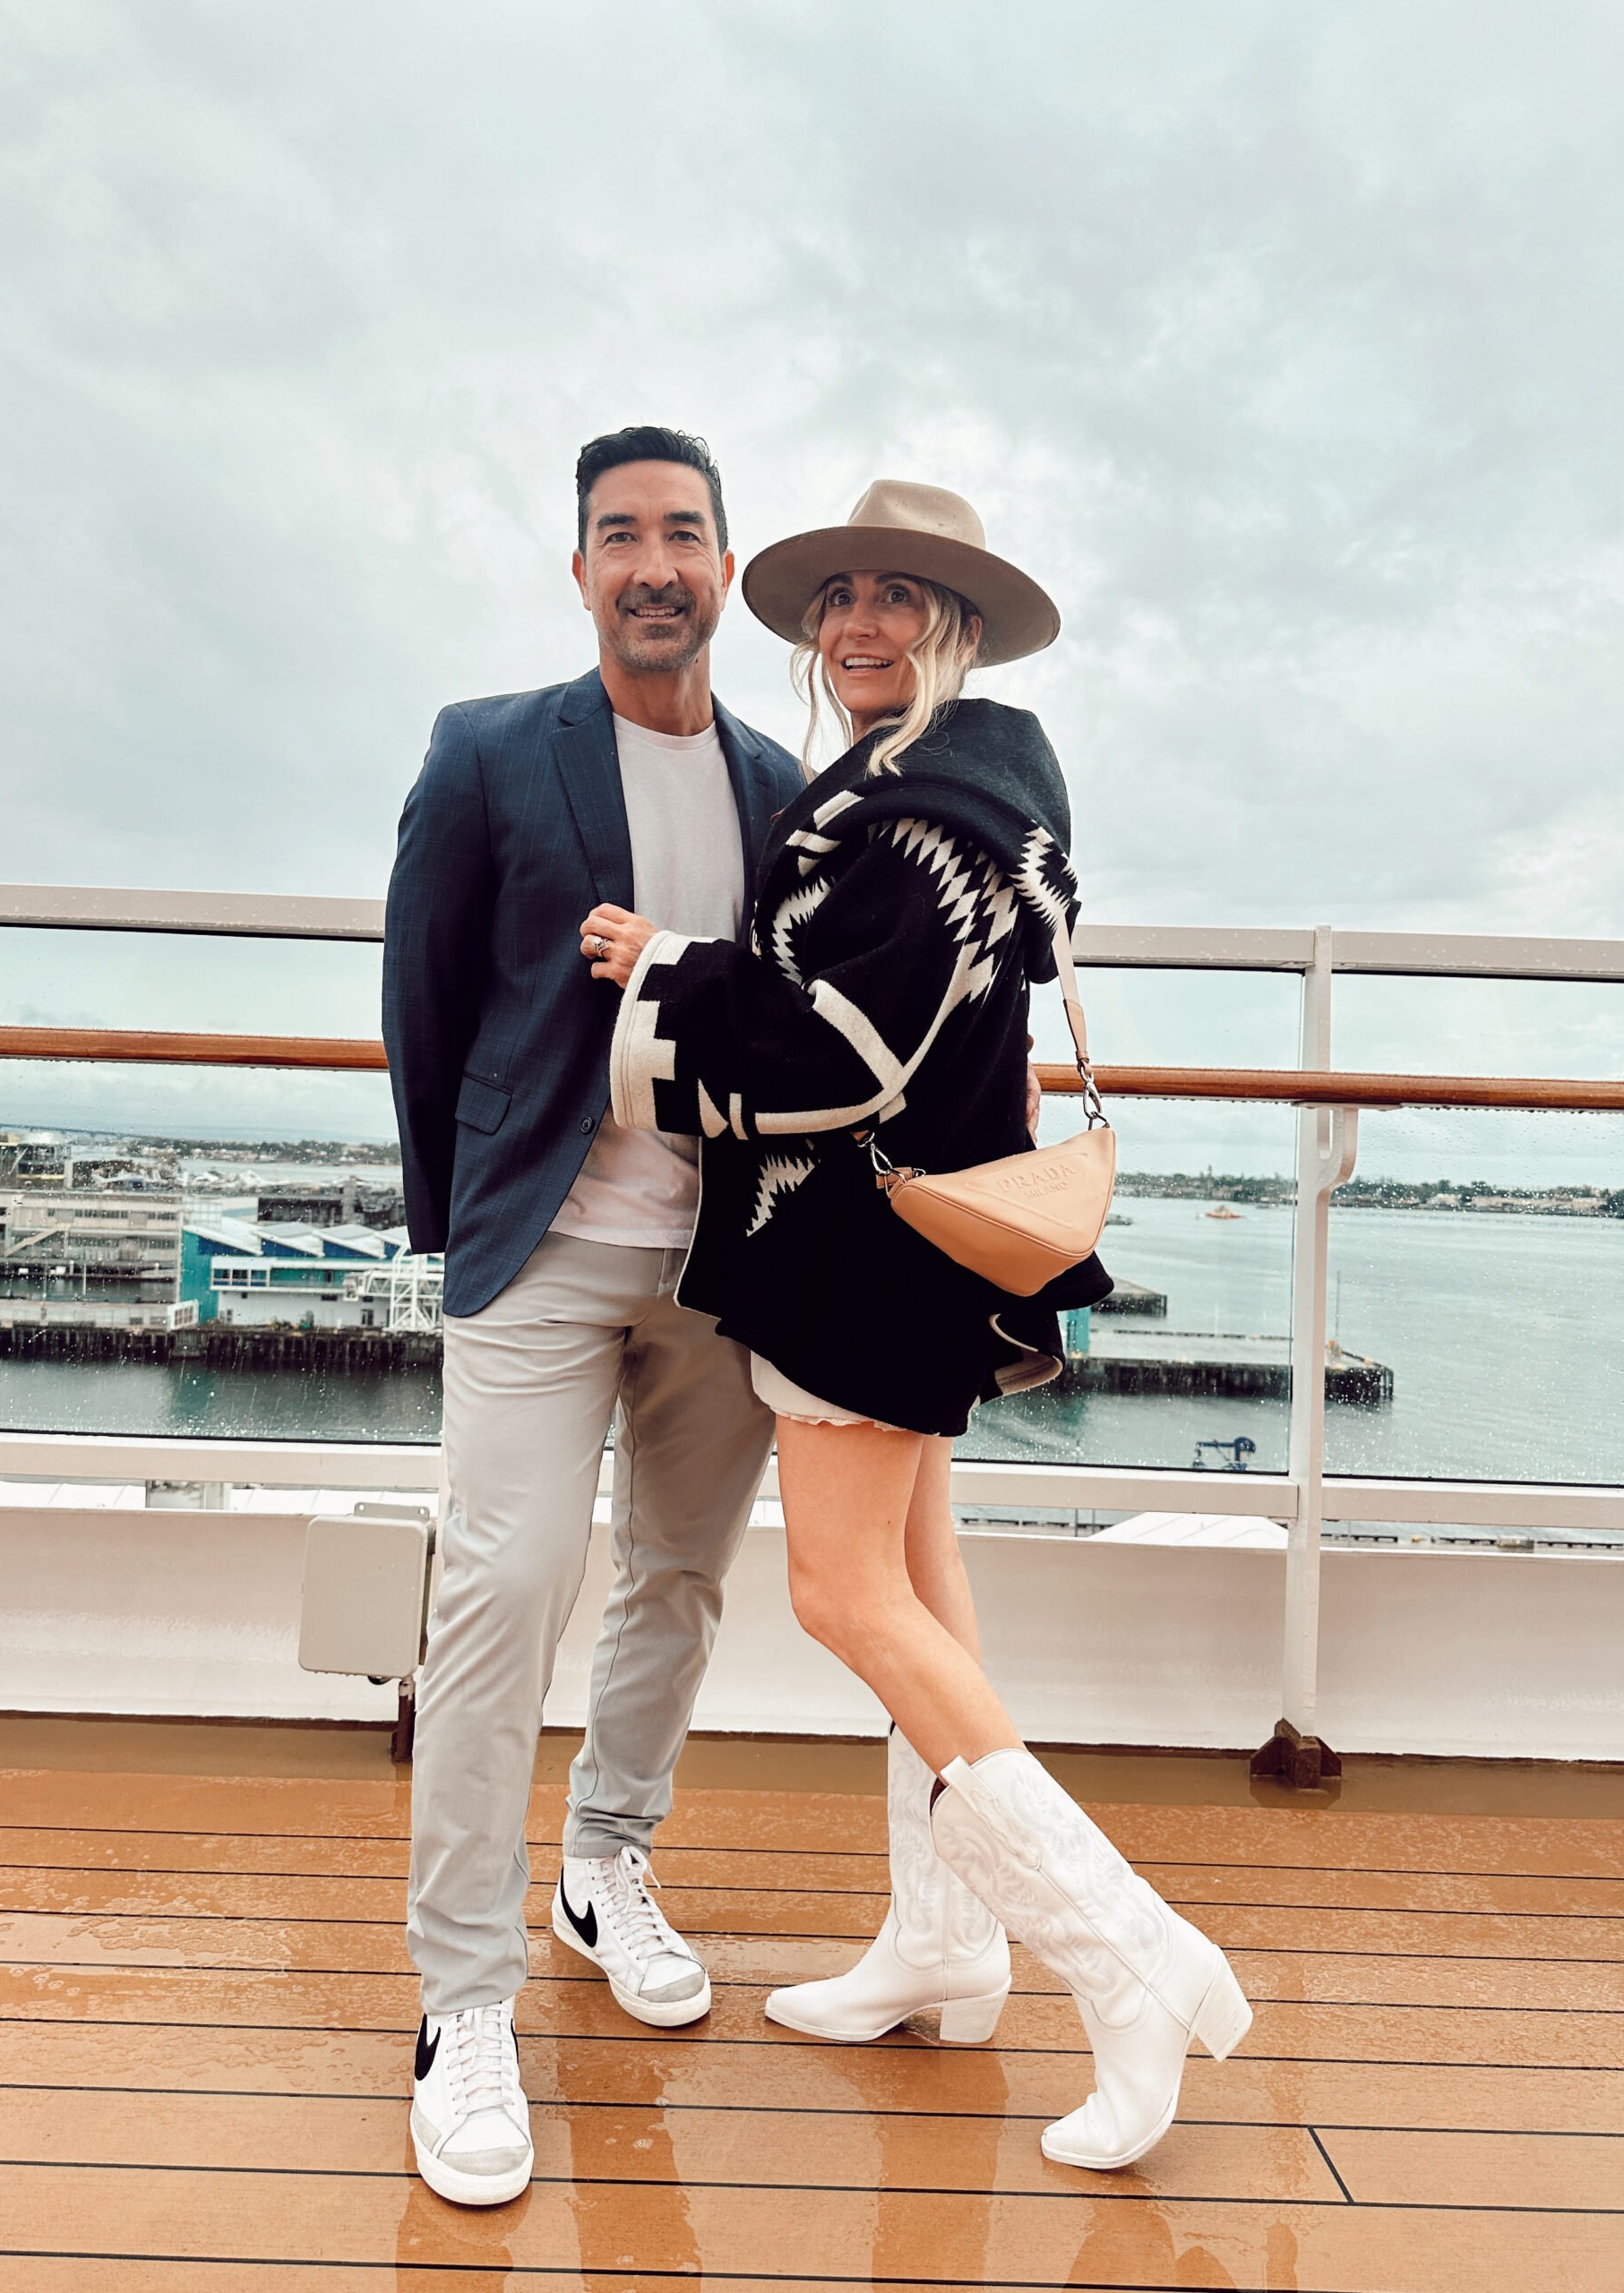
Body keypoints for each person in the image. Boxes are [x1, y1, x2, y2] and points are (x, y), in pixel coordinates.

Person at [580, 479, 1252, 2173]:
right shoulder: (925, 784)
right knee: (929, 1590)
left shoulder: (924, 812)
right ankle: (945, 1949)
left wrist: (667, 967)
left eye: (899, 598)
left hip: (860, 1245)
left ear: (954, 626)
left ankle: (1128, 1960)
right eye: (840, 599)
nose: (857, 624)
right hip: (911, 1232)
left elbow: (839, 1052)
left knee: (843, 1591)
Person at [382, 425, 803, 2207]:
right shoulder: (489, 751)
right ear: (579, 571)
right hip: (545, 1246)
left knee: (682, 1580)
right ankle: (458, 2000)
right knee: (502, 1592)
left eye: (684, 532)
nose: (653, 560)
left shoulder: (790, 784)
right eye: (619, 533)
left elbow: (801, 1023)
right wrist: (455, 1220)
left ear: (725, 566)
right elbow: (422, 996)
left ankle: (604, 1861)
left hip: (725, 1258)